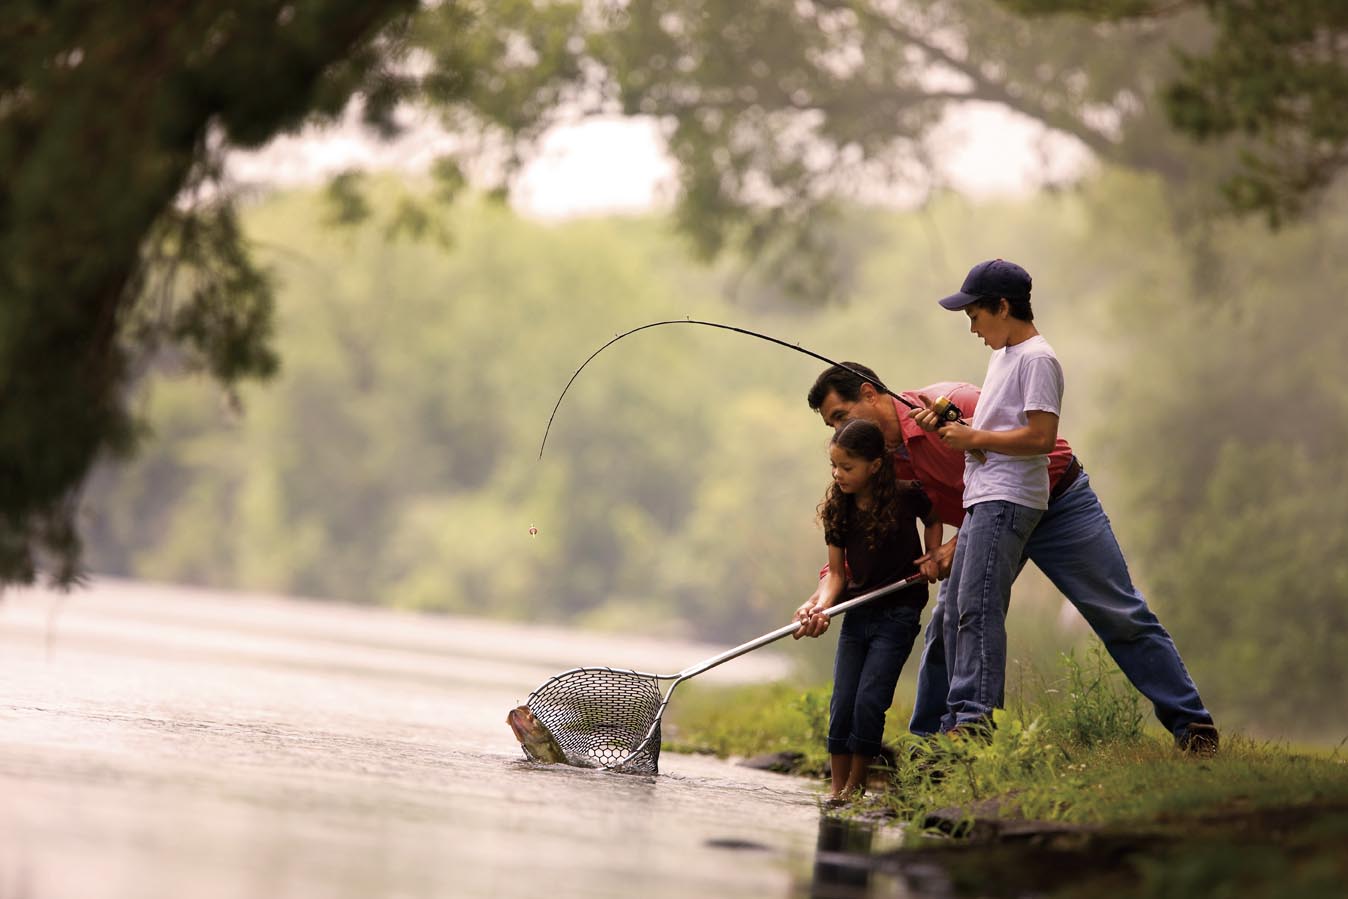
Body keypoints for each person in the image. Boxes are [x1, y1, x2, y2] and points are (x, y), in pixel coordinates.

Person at [804, 311, 1217, 749]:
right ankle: (935, 746)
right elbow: (864, 538)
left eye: (840, 414)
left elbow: (1023, 462)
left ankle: (1192, 724)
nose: (839, 430)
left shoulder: (951, 404)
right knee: (948, 620)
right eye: (832, 425)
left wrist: (957, 543)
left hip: (1058, 501)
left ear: (869, 393)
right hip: (987, 525)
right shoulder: (874, 460)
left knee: (1119, 612)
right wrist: (822, 596)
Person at [913, 259, 1064, 734]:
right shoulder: (1003, 356)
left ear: (1004, 306)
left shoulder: (1038, 358)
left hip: (1009, 498)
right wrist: (955, 431)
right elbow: (998, 432)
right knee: (956, 606)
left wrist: (974, 439)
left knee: (977, 606)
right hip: (984, 495)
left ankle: (973, 720)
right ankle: (955, 718)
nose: (973, 328)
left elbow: (1041, 438)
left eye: (976, 316)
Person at [792, 418, 943, 801]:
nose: (838, 474)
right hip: (857, 614)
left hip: (898, 614)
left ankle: (855, 789)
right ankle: (836, 788)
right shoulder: (837, 509)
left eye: (847, 467)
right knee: (843, 699)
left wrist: (932, 554)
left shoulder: (906, 494)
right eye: (834, 466)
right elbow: (838, 576)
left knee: (870, 701)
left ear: (875, 464)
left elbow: (934, 515)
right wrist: (820, 608)